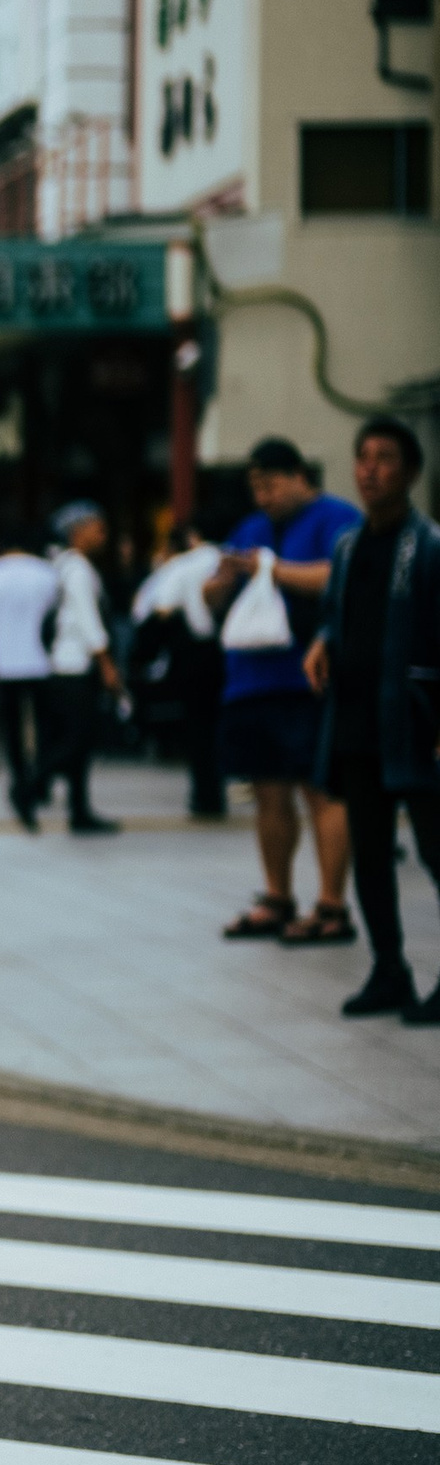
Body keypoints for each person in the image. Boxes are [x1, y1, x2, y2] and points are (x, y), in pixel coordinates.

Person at [303, 418, 440, 1023]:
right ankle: (390, 969)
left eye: (384, 458)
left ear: (411, 471)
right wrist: (324, 639)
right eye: (361, 458)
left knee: (437, 852)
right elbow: (338, 613)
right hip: (357, 724)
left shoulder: (431, 546)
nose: (369, 469)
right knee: (372, 853)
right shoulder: (348, 546)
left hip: (416, 725)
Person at [210, 438, 360, 943]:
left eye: (271, 483)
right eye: (255, 485)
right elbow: (213, 595)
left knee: (321, 789)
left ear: (300, 476)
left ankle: (332, 905)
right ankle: (277, 896)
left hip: (310, 679)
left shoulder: (335, 517)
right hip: (251, 681)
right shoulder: (249, 529)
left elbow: (340, 576)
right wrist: (222, 578)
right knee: (267, 791)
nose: (263, 495)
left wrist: (270, 570)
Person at [131, 522, 226, 817]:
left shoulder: (181, 567)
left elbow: (162, 609)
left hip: (195, 654)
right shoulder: (225, 557)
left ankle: (205, 796)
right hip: (226, 651)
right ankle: (220, 789)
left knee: (199, 726)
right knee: (219, 723)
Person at [40, 502, 123, 835]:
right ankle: (33, 784)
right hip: (75, 663)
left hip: (65, 662)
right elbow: (88, 620)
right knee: (78, 740)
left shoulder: (63, 565)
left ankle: (79, 809)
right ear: (77, 531)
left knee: (78, 741)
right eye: (96, 527)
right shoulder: (77, 569)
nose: (102, 533)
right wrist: (106, 663)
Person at [0, 534, 59, 829]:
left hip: (3, 661)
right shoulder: (47, 573)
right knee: (46, 727)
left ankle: (20, 779)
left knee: (13, 730)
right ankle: (38, 782)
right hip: (44, 660)